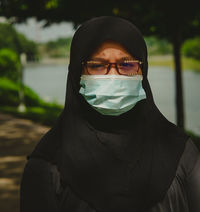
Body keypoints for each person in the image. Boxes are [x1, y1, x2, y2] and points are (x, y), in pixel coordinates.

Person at [20, 16, 200, 212]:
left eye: (127, 64)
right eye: (97, 65)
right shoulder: (47, 166)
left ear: (143, 71)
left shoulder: (180, 152)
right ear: (76, 74)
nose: (113, 75)